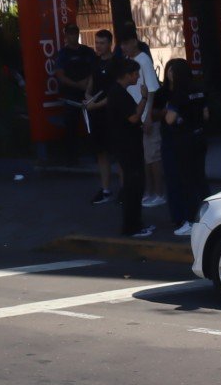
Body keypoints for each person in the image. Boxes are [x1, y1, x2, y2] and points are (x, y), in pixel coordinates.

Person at [90, 57, 152, 239]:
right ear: (126, 75)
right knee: (134, 185)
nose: (137, 78)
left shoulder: (117, 92)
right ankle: (132, 226)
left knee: (135, 185)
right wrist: (144, 99)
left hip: (126, 144)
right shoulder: (119, 94)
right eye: (135, 74)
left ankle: (135, 224)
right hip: (128, 145)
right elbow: (133, 118)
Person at [50, 24, 109, 203]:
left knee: (92, 124)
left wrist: (87, 87)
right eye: (70, 34)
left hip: (89, 94)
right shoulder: (63, 54)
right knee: (71, 123)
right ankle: (72, 156)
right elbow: (60, 75)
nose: (73, 36)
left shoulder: (87, 52)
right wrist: (78, 85)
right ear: (66, 36)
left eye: (75, 33)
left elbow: (95, 71)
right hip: (71, 94)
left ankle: (93, 152)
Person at [153, 58, 209, 237]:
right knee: (199, 178)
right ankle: (209, 214)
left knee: (185, 181)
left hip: (182, 140)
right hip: (199, 137)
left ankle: (190, 220)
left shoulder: (178, 94)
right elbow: (206, 115)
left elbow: (169, 119)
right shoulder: (199, 90)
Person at [127, 36, 164, 207]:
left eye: (126, 42)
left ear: (134, 42)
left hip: (145, 114)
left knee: (152, 156)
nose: (123, 46)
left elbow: (152, 88)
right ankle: (149, 192)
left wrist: (148, 115)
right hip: (137, 113)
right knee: (145, 157)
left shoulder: (144, 60)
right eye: (121, 43)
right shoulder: (129, 60)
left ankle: (158, 193)